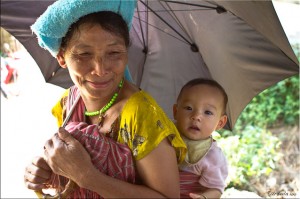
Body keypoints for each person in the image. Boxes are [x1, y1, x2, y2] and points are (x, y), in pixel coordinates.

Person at [23, 0, 186, 198]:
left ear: (126, 53)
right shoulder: (69, 102)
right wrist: (43, 171)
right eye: (84, 54)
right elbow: (68, 169)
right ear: (62, 57)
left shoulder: (140, 115)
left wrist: (88, 177)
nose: (100, 70)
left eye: (114, 53)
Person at [173, 78, 229, 199]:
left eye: (208, 112)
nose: (196, 116)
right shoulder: (165, 136)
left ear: (220, 123)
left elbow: (216, 189)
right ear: (175, 112)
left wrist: (204, 197)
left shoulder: (212, 156)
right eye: (189, 108)